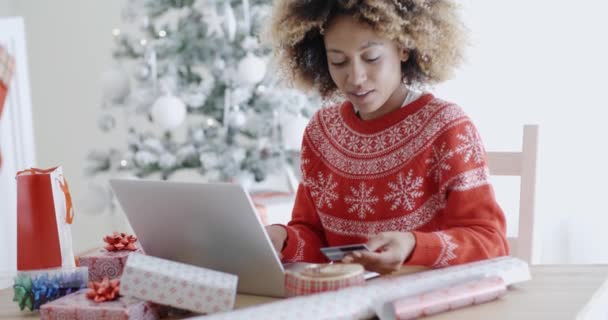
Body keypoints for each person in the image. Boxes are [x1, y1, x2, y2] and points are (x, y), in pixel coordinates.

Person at [263, 0, 509, 274]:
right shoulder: (321, 132)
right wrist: (282, 239)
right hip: (349, 304)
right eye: (338, 61)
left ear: (403, 48)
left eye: (371, 58)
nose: (355, 77)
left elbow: (491, 242)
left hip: (426, 304)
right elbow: (315, 239)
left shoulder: (447, 127)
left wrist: (413, 246)